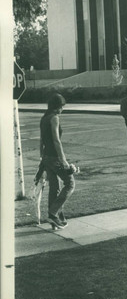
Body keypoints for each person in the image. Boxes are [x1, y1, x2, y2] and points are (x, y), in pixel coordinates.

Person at [40, 93, 75, 230]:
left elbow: (41, 140)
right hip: (55, 157)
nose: (62, 109)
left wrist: (42, 157)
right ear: (57, 107)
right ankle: (53, 213)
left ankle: (56, 219)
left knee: (54, 187)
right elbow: (56, 140)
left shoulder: (44, 118)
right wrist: (64, 160)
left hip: (46, 157)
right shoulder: (54, 118)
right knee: (70, 184)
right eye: (61, 107)